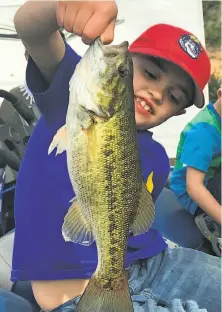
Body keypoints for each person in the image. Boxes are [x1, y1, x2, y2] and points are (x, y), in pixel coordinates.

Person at [11, 1, 220, 312]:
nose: (157, 94)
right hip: (78, 290)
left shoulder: (158, 158)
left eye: (174, 97)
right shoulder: (74, 99)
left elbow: (137, 223)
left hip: (153, 263)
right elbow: (31, 28)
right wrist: (59, 7)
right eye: (147, 73)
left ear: (178, 112)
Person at [170, 87, 221, 256]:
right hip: (193, 188)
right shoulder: (204, 132)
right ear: (220, 93)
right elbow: (193, 187)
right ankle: (211, 226)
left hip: (213, 173)